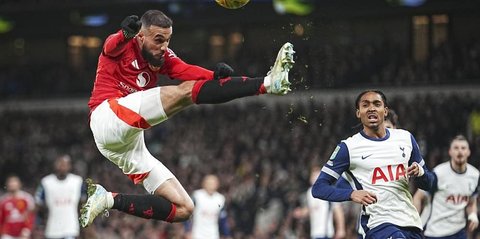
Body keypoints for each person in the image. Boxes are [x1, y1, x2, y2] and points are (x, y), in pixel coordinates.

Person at [80, 9, 295, 227]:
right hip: (106, 117)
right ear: (140, 36)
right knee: (183, 93)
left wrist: (214, 76)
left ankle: (107, 199)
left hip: (127, 142)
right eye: (158, 40)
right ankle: (268, 83)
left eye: (167, 40)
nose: (164, 47)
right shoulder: (122, 45)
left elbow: (185, 69)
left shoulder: (162, 57)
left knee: (184, 208)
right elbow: (109, 46)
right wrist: (123, 34)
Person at [312, 90, 436, 239]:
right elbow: (318, 188)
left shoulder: (406, 138)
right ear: (358, 113)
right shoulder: (349, 148)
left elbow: (430, 184)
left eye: (377, 104)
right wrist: (351, 194)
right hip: (378, 225)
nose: (371, 108)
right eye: (365, 105)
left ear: (385, 111)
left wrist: (421, 173)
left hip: (411, 223)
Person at [335, 108, 399, 239]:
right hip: (372, 227)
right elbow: (339, 187)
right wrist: (353, 194)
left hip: (400, 223)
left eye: (388, 127)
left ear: (396, 129)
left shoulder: (405, 154)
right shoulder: (363, 158)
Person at [413, 135, 479, 239]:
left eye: (463, 148)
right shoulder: (439, 174)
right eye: (456, 148)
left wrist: (473, 215)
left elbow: (471, 201)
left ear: (468, 152)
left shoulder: (475, 175)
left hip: (459, 232)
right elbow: (418, 196)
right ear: (450, 152)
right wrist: (414, 222)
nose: (460, 152)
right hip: (435, 232)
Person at [35, 155, 85, 239]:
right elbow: (38, 204)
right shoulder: (46, 182)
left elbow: (83, 203)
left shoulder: (77, 182)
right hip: (52, 229)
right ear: (55, 165)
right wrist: (41, 221)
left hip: (71, 228)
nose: (62, 166)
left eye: (65, 164)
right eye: (60, 164)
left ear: (70, 166)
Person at [293, 167, 346, 239]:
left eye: (317, 175)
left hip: (326, 232)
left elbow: (338, 210)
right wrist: (301, 212)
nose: (314, 178)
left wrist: (341, 229)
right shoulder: (310, 192)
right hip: (315, 233)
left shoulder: (328, 190)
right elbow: (312, 209)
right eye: (313, 175)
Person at [185, 174, 231, 239]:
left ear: (217, 184)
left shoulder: (220, 199)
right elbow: (188, 213)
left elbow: (223, 218)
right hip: (197, 234)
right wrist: (187, 230)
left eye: (213, 183)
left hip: (213, 234)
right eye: (209, 183)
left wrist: (226, 234)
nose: (211, 185)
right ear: (204, 184)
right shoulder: (197, 196)